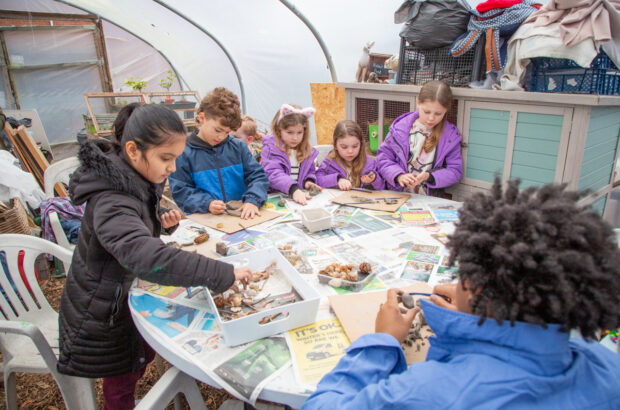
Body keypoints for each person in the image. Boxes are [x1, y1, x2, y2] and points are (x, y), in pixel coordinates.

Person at [303, 179, 620, 409]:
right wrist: (472, 321)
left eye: (463, 273)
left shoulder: (426, 393)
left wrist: (381, 342)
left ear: (479, 288)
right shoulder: (608, 368)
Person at [57, 103, 252, 410]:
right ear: (133, 150)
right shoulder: (111, 197)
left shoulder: (128, 177)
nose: (172, 168)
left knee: (135, 364)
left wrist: (158, 219)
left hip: (117, 297)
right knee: (122, 377)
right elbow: (141, 253)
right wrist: (220, 273)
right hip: (103, 312)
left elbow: (131, 225)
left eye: (175, 158)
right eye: (166, 158)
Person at [169, 88, 269, 219]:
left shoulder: (238, 147)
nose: (221, 136)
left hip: (240, 216)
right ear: (202, 118)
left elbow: (258, 177)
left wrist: (252, 200)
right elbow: (180, 191)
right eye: (217, 130)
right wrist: (207, 203)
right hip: (205, 219)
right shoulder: (183, 152)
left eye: (227, 132)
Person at [376, 80, 462, 197]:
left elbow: (455, 171)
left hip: (430, 199)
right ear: (418, 102)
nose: (431, 118)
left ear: (446, 110)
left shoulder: (450, 136)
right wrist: (398, 175)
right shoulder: (400, 128)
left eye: (438, 114)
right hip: (397, 195)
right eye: (426, 112)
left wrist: (429, 176)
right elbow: (384, 159)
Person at [261, 103, 322, 205]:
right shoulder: (270, 149)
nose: (295, 138)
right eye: (290, 132)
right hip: (275, 198)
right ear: (278, 130)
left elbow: (310, 171)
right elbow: (273, 173)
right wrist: (293, 189)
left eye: (299, 132)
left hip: (297, 198)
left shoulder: (306, 150)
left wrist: (308, 181)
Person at [316, 120, 384, 191]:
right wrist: (338, 180)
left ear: (361, 144)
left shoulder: (370, 163)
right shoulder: (330, 161)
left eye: (355, 146)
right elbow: (318, 179)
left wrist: (374, 180)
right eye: (344, 147)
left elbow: (382, 186)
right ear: (335, 145)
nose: (350, 151)